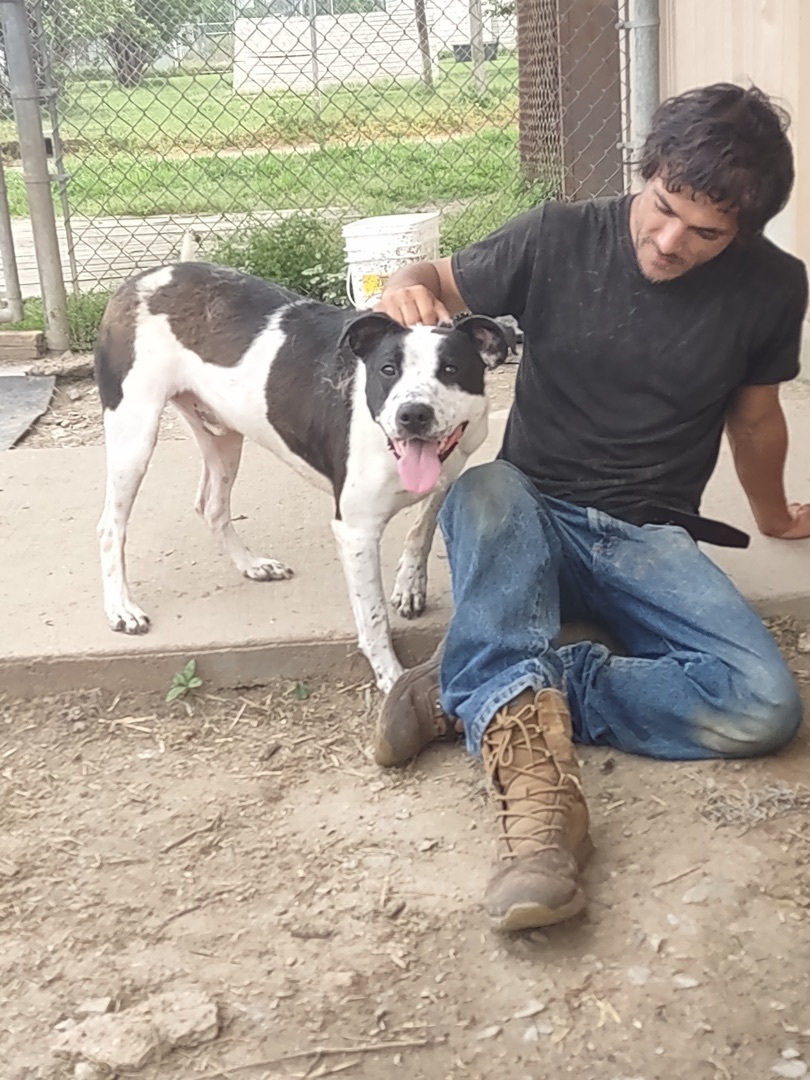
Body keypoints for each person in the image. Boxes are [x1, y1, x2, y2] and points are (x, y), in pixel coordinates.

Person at [370, 82, 810, 933]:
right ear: (645, 174)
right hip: (526, 507)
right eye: (662, 206)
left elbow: (756, 416)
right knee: (483, 485)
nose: (670, 239)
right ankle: (539, 823)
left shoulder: (773, 286)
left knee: (763, 706)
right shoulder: (558, 235)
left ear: (746, 232)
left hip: (650, 537)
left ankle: (474, 688)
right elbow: (434, 278)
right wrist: (403, 287)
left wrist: (776, 516)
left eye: (707, 232)